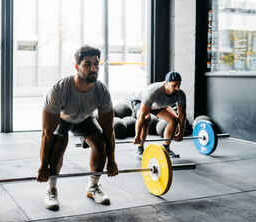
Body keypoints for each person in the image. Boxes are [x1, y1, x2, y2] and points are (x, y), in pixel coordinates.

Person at [37, 45, 119, 210]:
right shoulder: (60, 89)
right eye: (87, 64)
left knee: (100, 142)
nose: (93, 68)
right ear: (77, 67)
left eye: (96, 64)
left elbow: (109, 130)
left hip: (84, 119)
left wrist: (112, 160)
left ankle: (93, 187)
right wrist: (42, 166)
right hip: (63, 118)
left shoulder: (102, 91)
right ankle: (51, 189)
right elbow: (46, 134)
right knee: (59, 143)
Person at [131, 71, 186, 159]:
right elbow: (141, 116)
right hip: (140, 101)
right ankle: (140, 149)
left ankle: (166, 148)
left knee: (174, 119)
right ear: (166, 83)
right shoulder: (153, 92)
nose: (177, 88)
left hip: (159, 104)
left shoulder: (180, 94)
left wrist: (181, 133)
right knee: (146, 118)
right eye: (174, 85)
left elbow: (182, 115)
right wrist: (137, 136)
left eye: (179, 85)